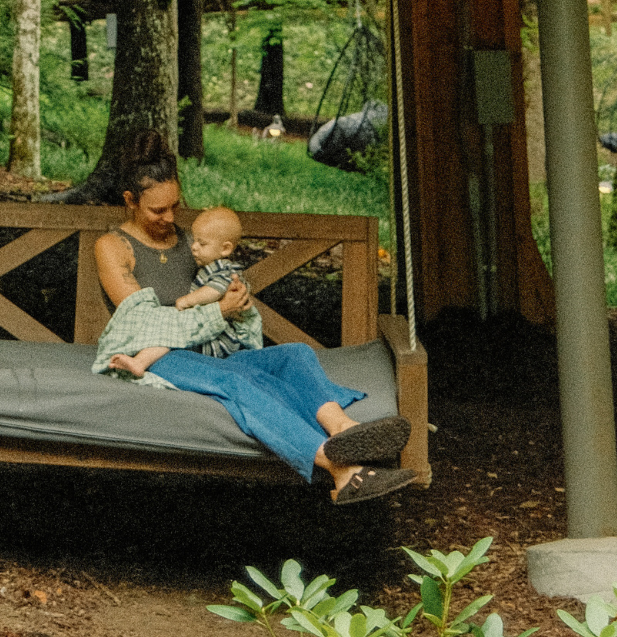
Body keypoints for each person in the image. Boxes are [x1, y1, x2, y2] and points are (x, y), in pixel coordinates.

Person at [91, 131, 415, 505]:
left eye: (175, 206)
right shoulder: (113, 247)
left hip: (210, 351)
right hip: (157, 357)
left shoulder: (191, 241)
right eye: (157, 210)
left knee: (294, 354)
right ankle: (340, 467)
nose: (170, 218)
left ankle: (344, 429)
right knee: (240, 383)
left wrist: (239, 305)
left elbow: (223, 291)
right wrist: (217, 311)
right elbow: (143, 324)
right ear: (130, 201)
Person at [102, 205, 247, 377]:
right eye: (194, 240)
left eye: (201, 243)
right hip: (203, 330)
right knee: (168, 336)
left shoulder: (225, 269)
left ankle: (139, 362)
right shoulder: (210, 266)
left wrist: (188, 301)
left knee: (169, 337)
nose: (194, 247)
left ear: (225, 249)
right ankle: (138, 362)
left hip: (216, 340)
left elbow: (214, 291)